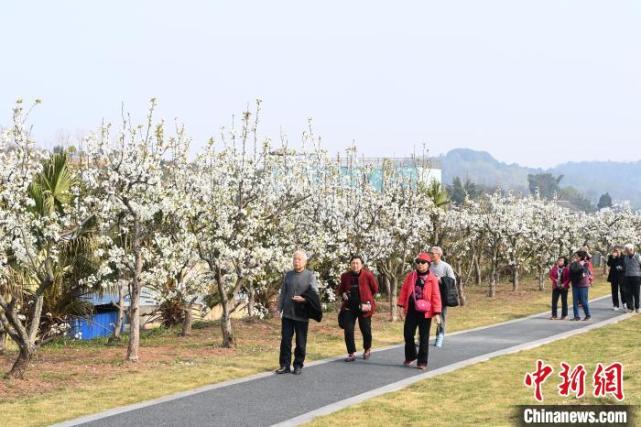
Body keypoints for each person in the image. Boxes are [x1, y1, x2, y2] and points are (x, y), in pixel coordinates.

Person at [276, 250, 319, 375]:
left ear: (304, 262)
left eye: (299, 259)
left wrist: (304, 299)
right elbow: (283, 292)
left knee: (300, 342)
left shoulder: (310, 275)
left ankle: (298, 364)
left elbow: (315, 294)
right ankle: (284, 365)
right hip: (288, 314)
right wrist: (279, 308)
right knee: (285, 340)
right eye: (295, 259)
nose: (296, 261)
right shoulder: (288, 275)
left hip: (302, 313)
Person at [397, 252, 442, 370]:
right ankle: (411, 356)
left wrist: (437, 313)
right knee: (408, 334)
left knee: (423, 337)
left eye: (423, 263)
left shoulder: (432, 278)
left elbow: (436, 296)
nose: (420, 265)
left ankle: (422, 361)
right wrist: (401, 306)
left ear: (428, 264)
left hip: (425, 312)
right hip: (412, 310)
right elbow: (404, 291)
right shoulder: (411, 276)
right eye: (418, 262)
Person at [337, 255, 379, 362]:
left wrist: (367, 298)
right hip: (349, 307)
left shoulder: (368, 275)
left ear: (362, 265)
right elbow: (340, 290)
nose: (355, 265)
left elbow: (375, 289)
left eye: (357, 263)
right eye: (353, 263)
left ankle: (367, 348)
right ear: (350, 264)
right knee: (348, 330)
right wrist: (343, 294)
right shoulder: (345, 276)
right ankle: (351, 353)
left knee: (365, 329)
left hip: (364, 306)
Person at [428, 246, 455, 348]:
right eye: (430, 253)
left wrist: (440, 280)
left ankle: (440, 335)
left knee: (440, 317)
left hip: (441, 296)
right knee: (425, 317)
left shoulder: (446, 266)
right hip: (429, 295)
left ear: (438, 255)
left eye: (432, 253)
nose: (430, 255)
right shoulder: (428, 265)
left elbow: (453, 281)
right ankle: (423, 337)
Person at [568, 251, 591, 321]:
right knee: (575, 301)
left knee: (583, 301)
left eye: (577, 256)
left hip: (583, 285)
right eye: (575, 256)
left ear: (580, 257)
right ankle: (576, 316)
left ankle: (587, 315)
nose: (575, 258)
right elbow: (571, 270)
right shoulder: (573, 264)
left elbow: (583, 272)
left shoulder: (585, 264)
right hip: (575, 284)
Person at [622, 243, 641, 314]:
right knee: (628, 293)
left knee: (636, 293)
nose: (626, 251)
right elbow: (625, 267)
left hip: (636, 277)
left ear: (631, 249)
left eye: (627, 250)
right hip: (627, 277)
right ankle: (630, 308)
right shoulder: (626, 257)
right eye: (625, 250)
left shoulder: (638, 256)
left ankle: (637, 307)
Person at [607, 247, 626, 311]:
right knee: (614, 291)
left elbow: (625, 265)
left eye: (617, 251)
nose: (616, 252)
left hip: (622, 276)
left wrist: (622, 268)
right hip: (614, 276)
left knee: (623, 290)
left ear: (620, 250)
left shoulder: (624, 257)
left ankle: (624, 302)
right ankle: (615, 305)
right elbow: (609, 264)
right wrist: (613, 258)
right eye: (615, 251)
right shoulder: (611, 257)